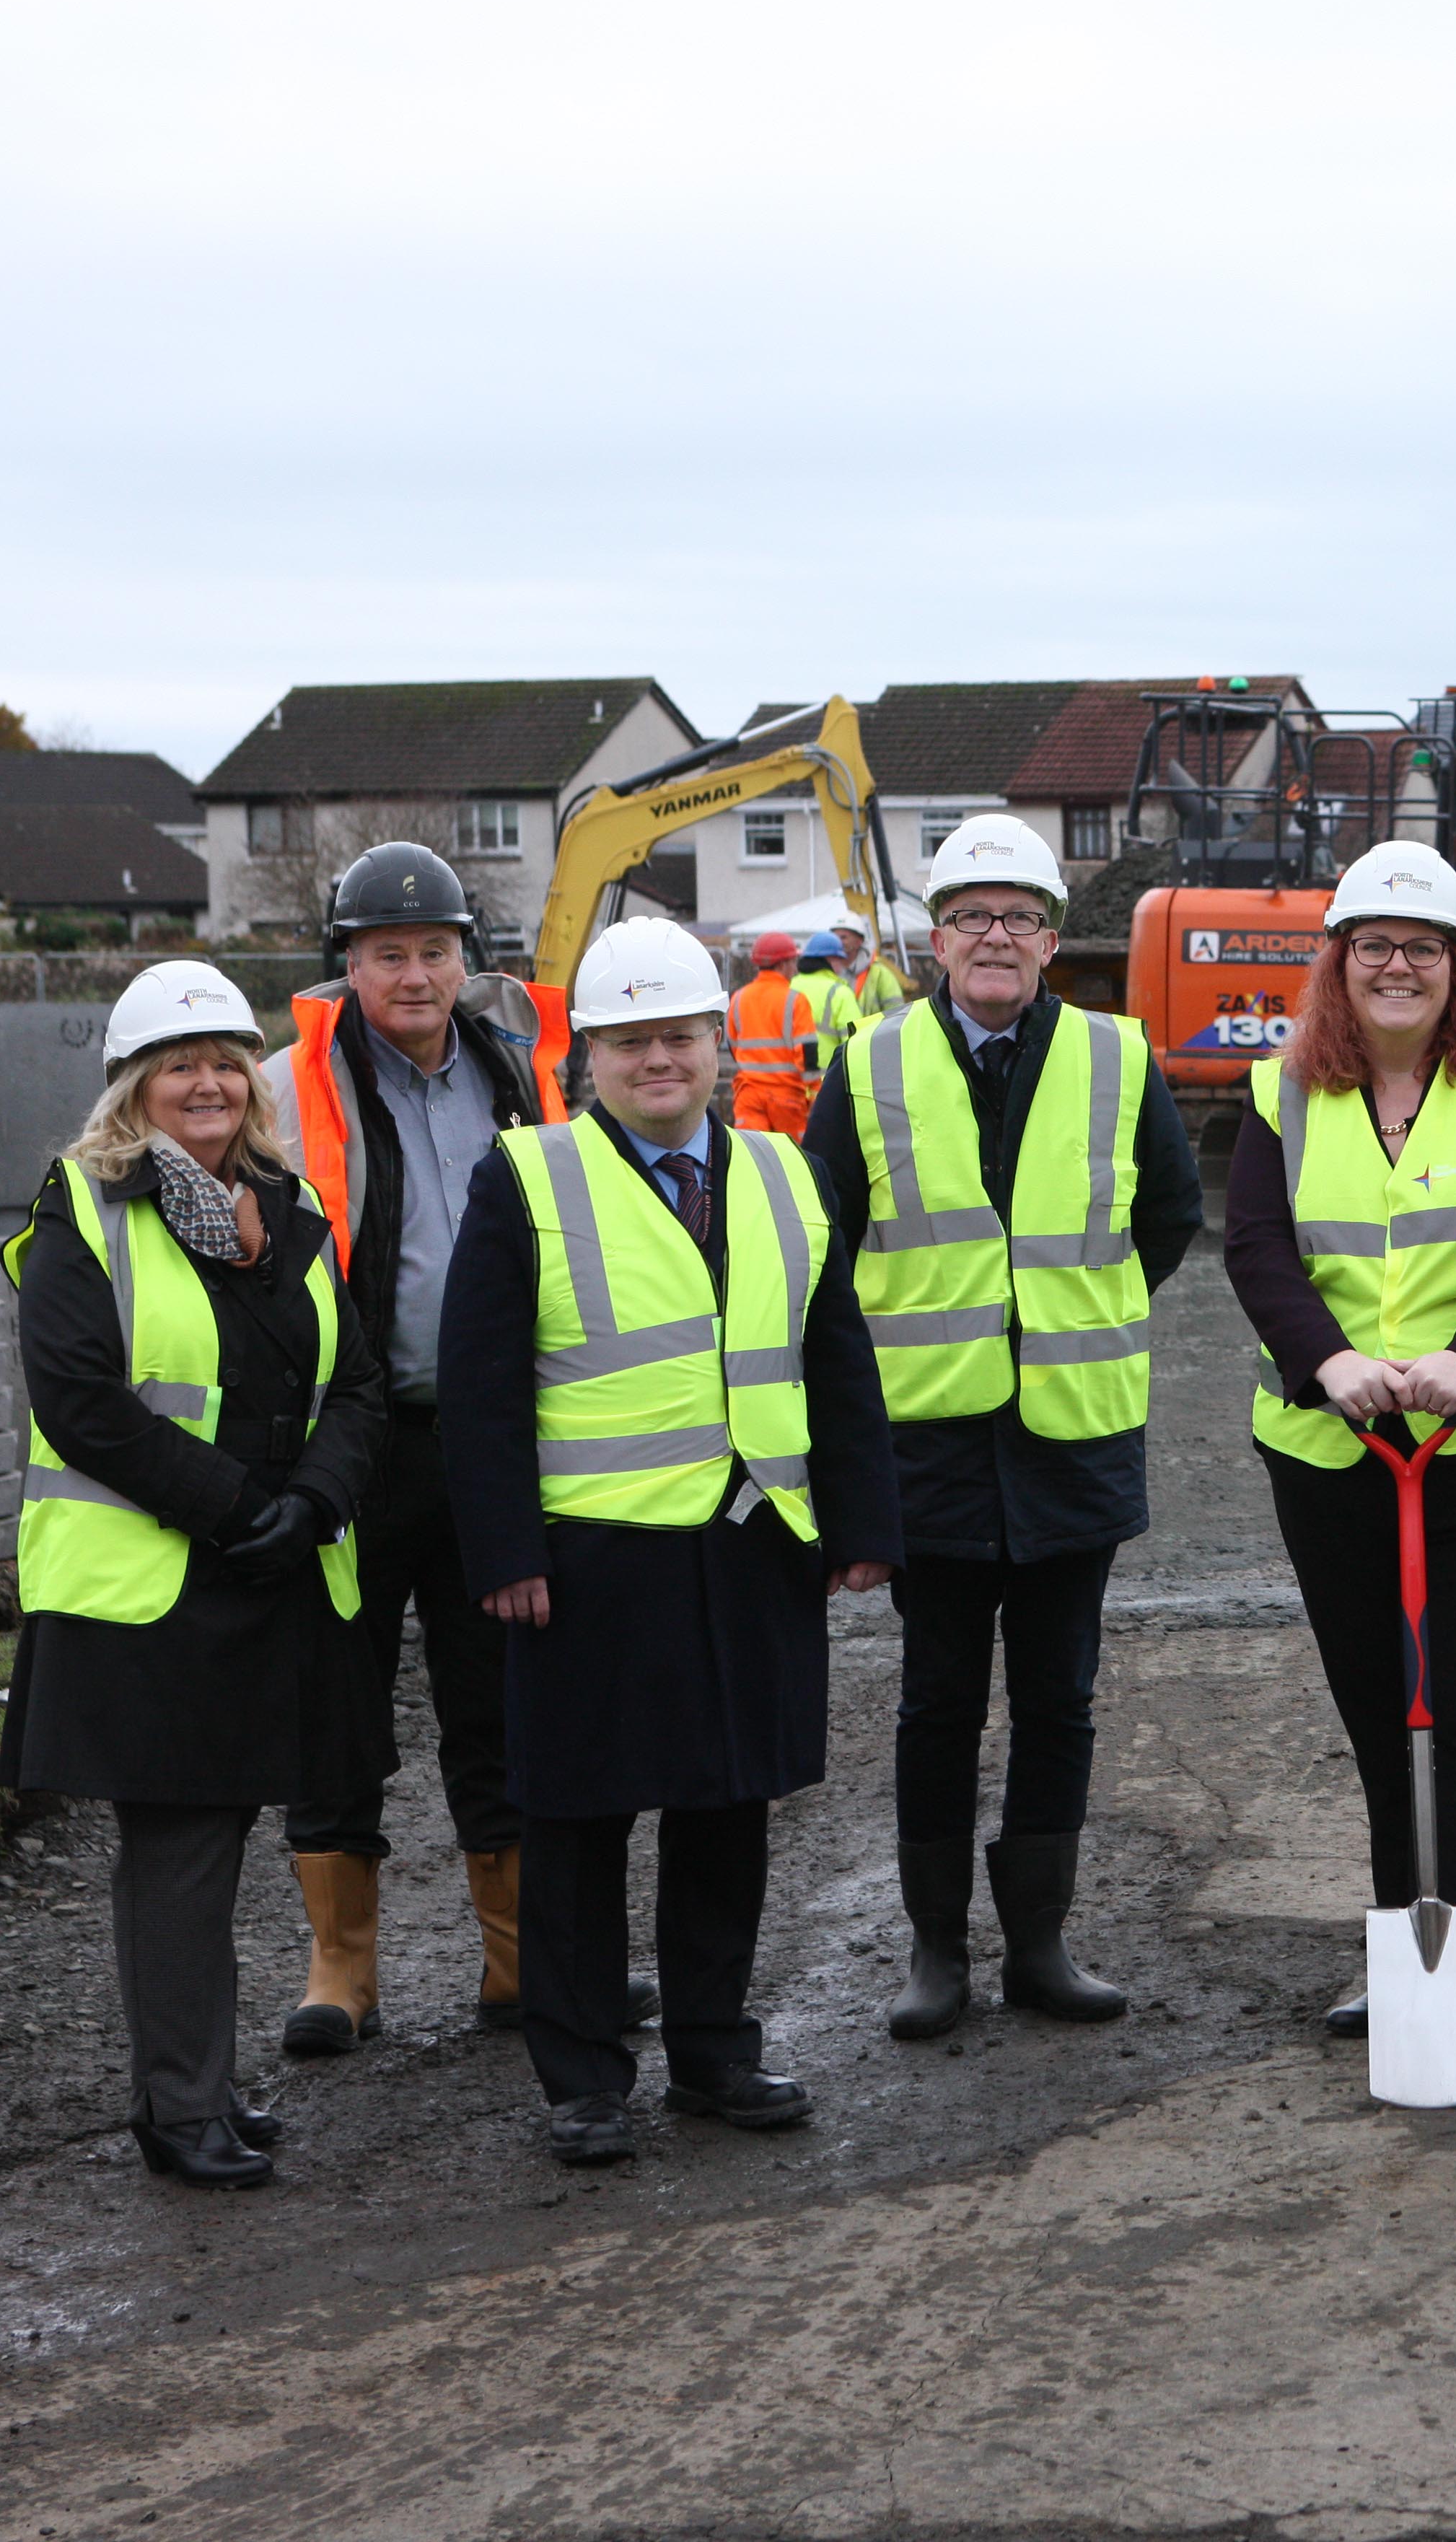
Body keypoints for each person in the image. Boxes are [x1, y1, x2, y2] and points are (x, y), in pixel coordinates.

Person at [438, 917, 906, 2164]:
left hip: (750, 1543)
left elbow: (833, 1352)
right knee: (578, 1824)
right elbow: (477, 1383)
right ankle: (584, 2078)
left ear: (718, 1042)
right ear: (587, 1053)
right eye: (631, 1038)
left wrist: (863, 1520)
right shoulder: (526, 1176)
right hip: (586, 1561)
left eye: (681, 1035)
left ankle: (713, 2051)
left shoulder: (784, 1173)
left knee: (727, 1808)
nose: (660, 1058)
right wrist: (503, 1551)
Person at [802, 814, 1202, 2040]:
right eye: (972, 914)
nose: (995, 936)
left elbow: (1172, 1216)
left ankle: (1040, 1943)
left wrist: (1069, 1313)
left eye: (1018, 916)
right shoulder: (867, 1064)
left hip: (1071, 1439)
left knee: (1059, 1700)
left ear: (1051, 938)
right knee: (934, 1702)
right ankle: (937, 1952)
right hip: (929, 1449)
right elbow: (823, 1249)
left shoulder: (1115, 1058)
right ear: (936, 937)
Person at [0, 960, 382, 2189]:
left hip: (270, 1566)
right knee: (178, 1855)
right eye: (180, 1064)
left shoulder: (294, 1203)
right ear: (135, 1086)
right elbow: (81, 1399)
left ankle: (206, 2084)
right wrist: (240, 1509)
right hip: (153, 1588)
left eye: (226, 1059)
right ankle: (179, 2108)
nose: (208, 1081)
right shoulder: (84, 1205)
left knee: (221, 1834)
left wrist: (316, 1496)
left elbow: (357, 1382)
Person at [1222, 839, 1456, 2042]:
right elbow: (1258, 1250)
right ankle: (1405, 1949)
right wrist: (1327, 1363)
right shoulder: (1283, 1091)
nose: (1395, 966)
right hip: (1335, 1455)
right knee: (1387, 1715)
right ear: (1338, 963)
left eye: (1420, 948)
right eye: (1372, 945)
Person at [263, 841, 620, 2057]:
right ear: (345, 965)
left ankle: (518, 1959)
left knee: (500, 1695)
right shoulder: (275, 1087)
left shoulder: (524, 1069)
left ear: (468, 958)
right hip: (348, 1441)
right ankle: (340, 1967)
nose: (414, 974)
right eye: (386, 954)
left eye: (433, 950)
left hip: (492, 1436)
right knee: (334, 1699)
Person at [727, 928, 819, 1135]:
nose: (795, 969)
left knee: (754, 1156)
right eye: (793, 962)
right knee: (793, 1161)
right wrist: (814, 1093)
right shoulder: (795, 1000)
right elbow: (806, 1052)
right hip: (786, 1097)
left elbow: (733, 1045)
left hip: (748, 1093)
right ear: (784, 963)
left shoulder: (739, 998)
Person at [791, 930, 856, 1084]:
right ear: (830, 960)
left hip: (792, 1085)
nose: (841, 967)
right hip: (826, 1085)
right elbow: (855, 1042)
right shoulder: (840, 993)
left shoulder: (789, 987)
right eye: (839, 960)